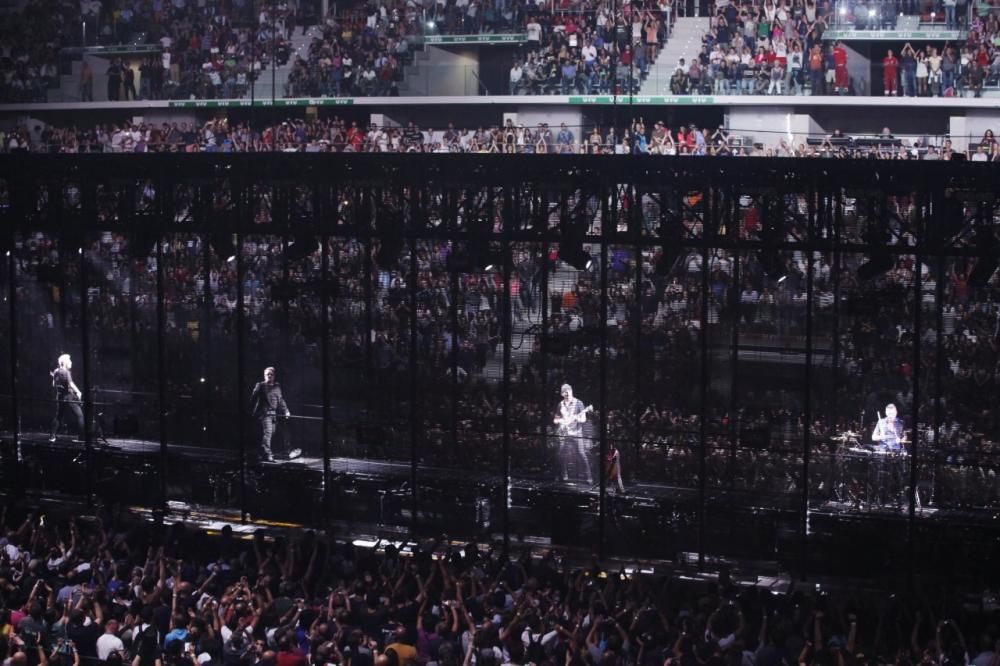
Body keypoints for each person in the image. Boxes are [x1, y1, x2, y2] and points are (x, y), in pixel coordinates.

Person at [249, 367, 298, 462]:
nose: (269, 376)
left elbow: (281, 400)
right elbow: (253, 399)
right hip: (264, 413)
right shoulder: (260, 385)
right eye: (267, 374)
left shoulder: (277, 386)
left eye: (271, 374)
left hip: (273, 414)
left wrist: (286, 410)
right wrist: (253, 411)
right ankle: (268, 455)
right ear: (264, 376)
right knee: (268, 433)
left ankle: (262, 452)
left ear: (274, 376)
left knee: (272, 433)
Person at [553, 384, 593, 485]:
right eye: (564, 393)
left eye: (568, 392)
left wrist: (577, 418)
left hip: (576, 433)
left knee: (581, 454)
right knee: (561, 454)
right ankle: (564, 474)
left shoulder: (579, 403)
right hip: (565, 433)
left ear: (571, 391)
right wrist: (562, 421)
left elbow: (583, 419)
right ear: (562, 394)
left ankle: (589, 477)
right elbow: (555, 420)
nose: (567, 394)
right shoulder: (560, 404)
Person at [50, 354, 84, 442]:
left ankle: (52, 436)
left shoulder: (56, 371)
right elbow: (71, 384)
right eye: (69, 361)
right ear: (65, 362)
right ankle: (82, 437)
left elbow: (53, 385)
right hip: (69, 396)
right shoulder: (66, 372)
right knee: (80, 415)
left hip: (60, 396)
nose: (71, 362)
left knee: (59, 416)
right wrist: (78, 392)